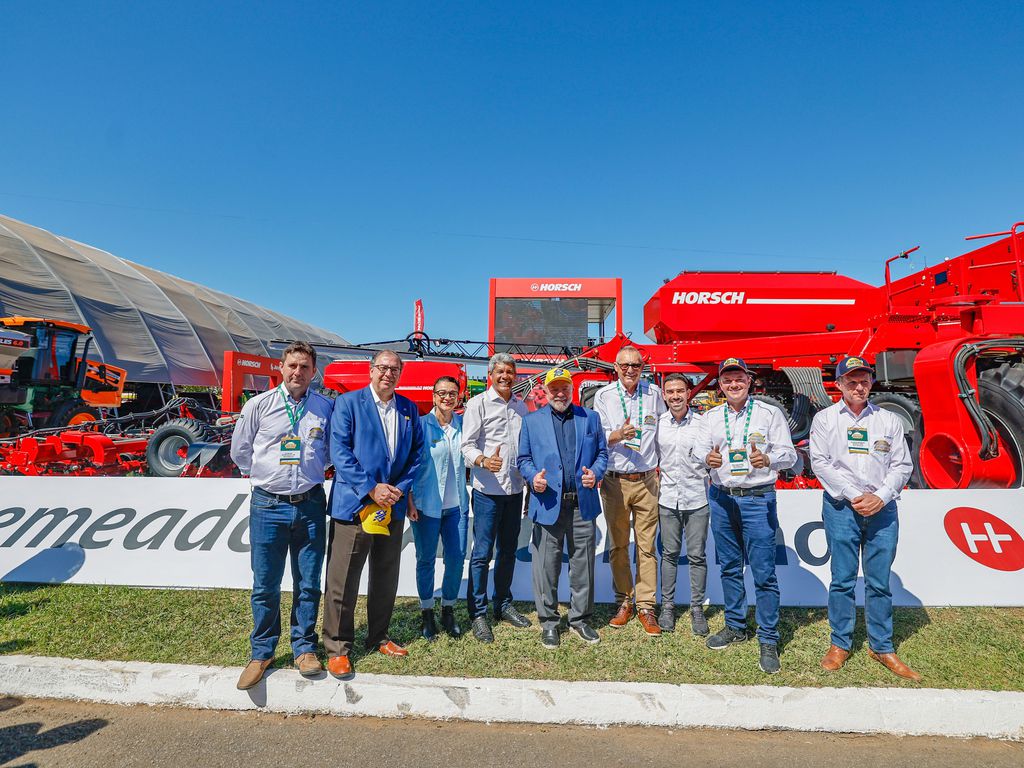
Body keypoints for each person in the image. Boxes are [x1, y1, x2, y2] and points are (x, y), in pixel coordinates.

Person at [230, 341, 334, 690]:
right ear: (281, 367)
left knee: (309, 582)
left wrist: (308, 470)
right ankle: (261, 652)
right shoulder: (259, 405)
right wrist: (268, 476)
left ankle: (304, 647)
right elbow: (240, 451)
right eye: (292, 365)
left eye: (304, 367)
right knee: (265, 585)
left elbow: (329, 452)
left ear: (314, 372)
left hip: (310, 504)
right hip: (268, 505)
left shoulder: (325, 408)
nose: (297, 372)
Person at [809, 355, 918, 680]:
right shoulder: (825, 419)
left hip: (882, 510)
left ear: (872, 382)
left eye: (864, 381)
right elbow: (820, 462)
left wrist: (880, 496)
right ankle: (840, 643)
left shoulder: (888, 420)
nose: (859, 387)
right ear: (839, 384)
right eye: (852, 381)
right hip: (842, 508)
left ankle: (881, 646)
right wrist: (854, 495)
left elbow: (902, 465)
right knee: (842, 580)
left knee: (879, 582)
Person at [321, 350, 424, 679]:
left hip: (391, 507)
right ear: (371, 370)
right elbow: (340, 451)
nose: (388, 373)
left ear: (400, 374)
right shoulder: (348, 404)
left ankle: (378, 636)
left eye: (394, 369)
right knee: (343, 580)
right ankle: (338, 646)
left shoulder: (408, 409)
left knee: (385, 575)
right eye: (382, 367)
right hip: (355, 506)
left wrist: (399, 490)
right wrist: (371, 489)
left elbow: (417, 455)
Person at [693, 357, 796, 674]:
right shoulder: (710, 417)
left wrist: (769, 459)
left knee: (764, 573)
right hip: (722, 498)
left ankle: (768, 638)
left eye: (739, 378)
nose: (733, 384)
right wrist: (707, 458)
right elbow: (698, 452)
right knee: (729, 567)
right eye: (727, 380)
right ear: (720, 385)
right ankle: (736, 626)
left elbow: (790, 454)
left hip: (757, 498)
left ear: (749, 381)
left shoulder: (769, 413)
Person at [517, 368, 609, 649]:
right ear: (545, 391)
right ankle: (549, 622)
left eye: (564, 388)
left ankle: (580, 619)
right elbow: (523, 459)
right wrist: (533, 477)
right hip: (548, 503)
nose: (560, 393)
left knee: (583, 566)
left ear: (572, 390)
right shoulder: (531, 421)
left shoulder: (590, 418)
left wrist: (596, 473)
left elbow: (602, 454)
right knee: (546, 566)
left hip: (582, 503)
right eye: (554, 388)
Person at [593, 344, 667, 636]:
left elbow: (663, 432)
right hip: (615, 481)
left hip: (647, 479)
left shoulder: (654, 394)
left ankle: (646, 606)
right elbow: (596, 437)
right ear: (615, 367)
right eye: (624, 365)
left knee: (647, 547)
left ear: (642, 367)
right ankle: (624, 600)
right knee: (619, 545)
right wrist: (617, 435)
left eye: (635, 365)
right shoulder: (604, 396)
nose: (630, 370)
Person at [461, 352, 532, 643]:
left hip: (514, 491)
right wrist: (482, 460)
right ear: (491, 374)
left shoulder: (521, 406)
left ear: (515, 376)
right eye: (500, 371)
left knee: (508, 551)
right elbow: (466, 445)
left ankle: (502, 604)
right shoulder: (477, 404)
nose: (505, 376)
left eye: (510, 372)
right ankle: (478, 613)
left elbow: (526, 448)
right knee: (482, 554)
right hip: (487, 492)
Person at [408, 376, 470, 641]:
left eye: (452, 393)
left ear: (459, 397)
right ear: (433, 396)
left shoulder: (464, 426)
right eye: (442, 393)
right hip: (426, 506)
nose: (447, 397)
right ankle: (426, 612)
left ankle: (448, 610)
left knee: (456, 559)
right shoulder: (420, 426)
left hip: (456, 507)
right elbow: (408, 466)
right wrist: (409, 500)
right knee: (425, 560)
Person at [654, 373, 710, 635]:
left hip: (697, 498)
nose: (675, 396)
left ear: (688, 394)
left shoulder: (703, 424)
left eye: (680, 391)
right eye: (670, 392)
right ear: (664, 395)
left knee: (697, 556)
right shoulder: (657, 424)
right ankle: (667, 607)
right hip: (667, 499)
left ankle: (697, 608)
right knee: (669, 554)